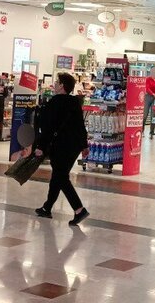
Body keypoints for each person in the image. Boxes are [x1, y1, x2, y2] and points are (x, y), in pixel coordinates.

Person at [33, 72, 90, 226]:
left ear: (62, 86)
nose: (55, 84)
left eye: (57, 82)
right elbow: (80, 126)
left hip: (60, 146)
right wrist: (84, 145)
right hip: (74, 147)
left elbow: (48, 128)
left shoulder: (54, 103)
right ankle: (47, 207)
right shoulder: (75, 102)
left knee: (61, 177)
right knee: (58, 176)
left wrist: (40, 147)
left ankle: (79, 209)